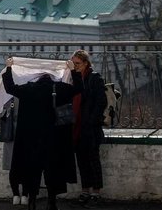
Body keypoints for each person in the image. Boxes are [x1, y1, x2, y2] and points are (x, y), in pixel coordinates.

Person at [2, 57, 82, 210]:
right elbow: (79, 88)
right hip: (55, 139)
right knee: (53, 171)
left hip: (32, 139)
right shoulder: (61, 88)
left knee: (32, 171)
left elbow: (9, 88)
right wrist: (73, 70)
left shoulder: (28, 89)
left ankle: (32, 201)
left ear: (37, 76)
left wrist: (9, 68)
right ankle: (51, 202)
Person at [70, 49, 107, 208]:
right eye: (73, 64)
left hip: (90, 128)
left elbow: (101, 102)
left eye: (77, 64)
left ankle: (96, 193)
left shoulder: (94, 78)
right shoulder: (73, 78)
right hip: (77, 126)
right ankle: (85, 191)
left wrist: (91, 121)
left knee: (93, 160)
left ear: (86, 63)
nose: (75, 67)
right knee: (82, 161)